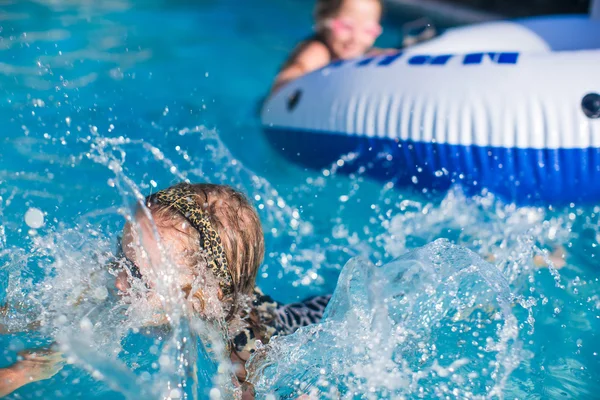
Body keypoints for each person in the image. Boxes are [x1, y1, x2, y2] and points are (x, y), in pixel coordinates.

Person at [0, 183, 331, 398]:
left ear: (203, 293)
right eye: (121, 256)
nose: (118, 282)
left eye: (140, 277)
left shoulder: (238, 349)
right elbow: (48, 344)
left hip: (306, 320)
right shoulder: (125, 283)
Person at [271, 0, 392, 93]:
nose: (355, 39)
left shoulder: (364, 52)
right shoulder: (318, 52)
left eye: (368, 30)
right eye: (346, 26)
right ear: (324, 22)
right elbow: (286, 81)